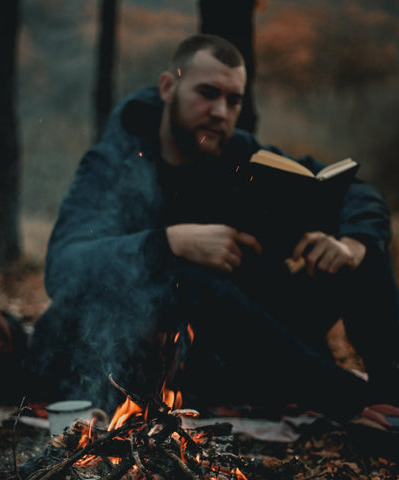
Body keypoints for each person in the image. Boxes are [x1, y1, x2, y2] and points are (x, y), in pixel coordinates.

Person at [26, 34, 399, 426]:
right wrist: (170, 243)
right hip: (167, 358)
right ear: (169, 88)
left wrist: (352, 244)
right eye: (207, 93)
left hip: (261, 341)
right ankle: (352, 398)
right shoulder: (115, 163)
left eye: (233, 100)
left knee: (363, 248)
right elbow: (62, 266)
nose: (220, 111)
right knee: (185, 278)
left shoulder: (240, 154)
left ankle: (391, 396)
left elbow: (354, 191)